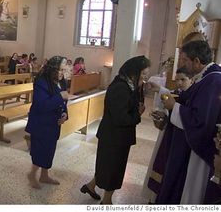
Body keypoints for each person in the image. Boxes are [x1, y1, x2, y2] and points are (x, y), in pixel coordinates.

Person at [157, 40, 221, 204]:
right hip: (190, 144)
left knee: (192, 191)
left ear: (197, 61)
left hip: (200, 152)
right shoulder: (206, 77)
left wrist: (174, 107)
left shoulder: (213, 81)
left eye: (185, 60)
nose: (182, 64)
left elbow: (200, 121)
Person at [80, 55, 150, 204]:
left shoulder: (130, 85)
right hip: (114, 136)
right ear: (134, 71)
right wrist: (137, 115)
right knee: (113, 170)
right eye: (143, 74)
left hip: (117, 136)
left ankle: (90, 186)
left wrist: (140, 88)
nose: (145, 77)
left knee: (107, 166)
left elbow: (137, 103)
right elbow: (121, 118)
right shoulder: (121, 87)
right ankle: (107, 201)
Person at [141, 67, 193, 203]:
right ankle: (155, 195)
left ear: (192, 80)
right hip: (168, 134)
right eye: (177, 80)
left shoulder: (193, 97)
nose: (179, 83)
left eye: (183, 80)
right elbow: (169, 99)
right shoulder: (178, 93)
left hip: (179, 140)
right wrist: (161, 115)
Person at [26, 56, 69, 189]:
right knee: (40, 150)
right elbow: (42, 105)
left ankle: (44, 175)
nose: (62, 73)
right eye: (60, 70)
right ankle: (32, 174)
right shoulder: (41, 81)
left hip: (53, 123)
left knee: (50, 150)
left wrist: (65, 114)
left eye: (64, 70)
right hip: (41, 122)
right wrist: (59, 97)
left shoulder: (61, 82)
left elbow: (64, 101)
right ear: (53, 68)